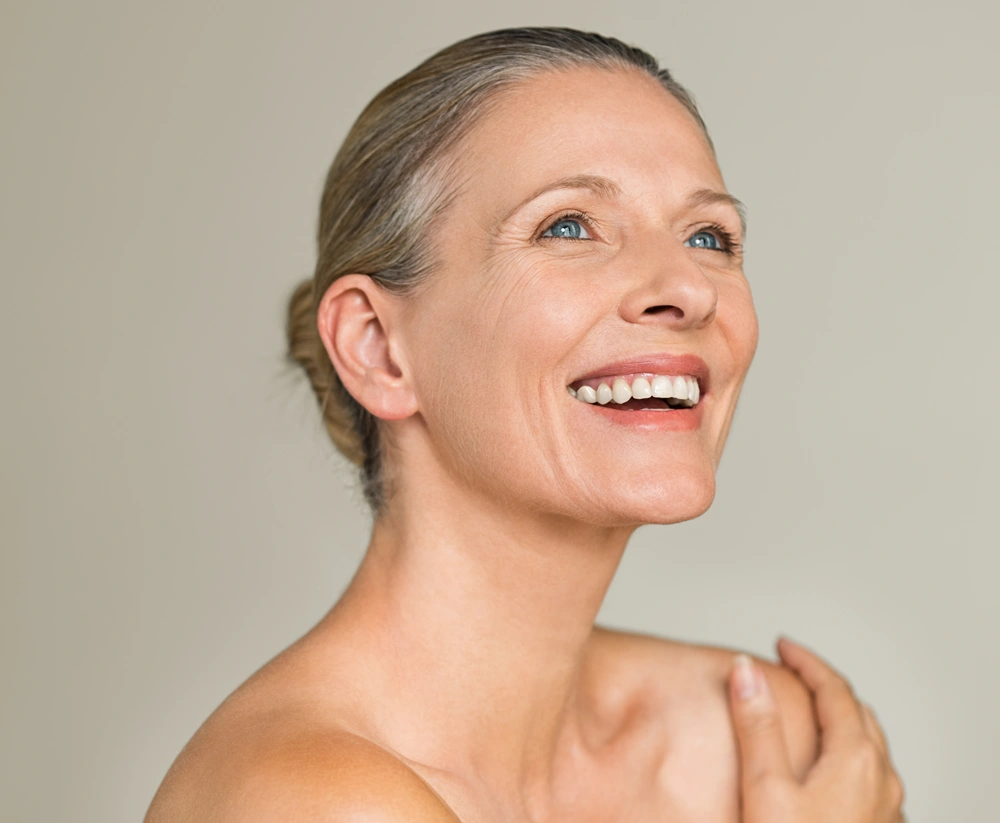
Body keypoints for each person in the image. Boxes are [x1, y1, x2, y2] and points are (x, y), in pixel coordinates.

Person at [144, 27, 905, 822]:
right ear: (377, 348)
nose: (687, 286)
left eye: (709, 236)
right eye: (568, 226)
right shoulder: (308, 800)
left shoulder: (758, 745)